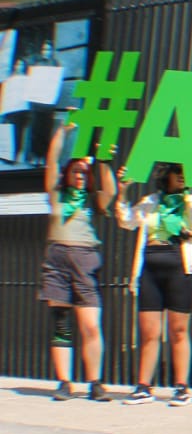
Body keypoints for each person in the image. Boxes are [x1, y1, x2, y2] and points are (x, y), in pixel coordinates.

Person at [114, 162, 192, 405]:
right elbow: (126, 220)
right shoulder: (151, 201)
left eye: (185, 174)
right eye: (177, 173)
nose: (181, 177)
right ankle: (144, 386)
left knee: (178, 330)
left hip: (181, 267)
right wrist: (122, 191)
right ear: (166, 175)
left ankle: (181, 387)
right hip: (150, 268)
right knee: (149, 332)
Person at [39, 122, 114, 401]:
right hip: (56, 260)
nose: (80, 175)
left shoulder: (92, 201)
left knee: (91, 324)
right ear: (68, 173)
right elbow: (51, 164)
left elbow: (110, 191)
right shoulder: (56, 195)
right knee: (61, 324)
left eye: (84, 171)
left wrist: (103, 160)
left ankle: (95, 382)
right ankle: (64, 382)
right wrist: (61, 133)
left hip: (84, 260)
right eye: (76, 170)